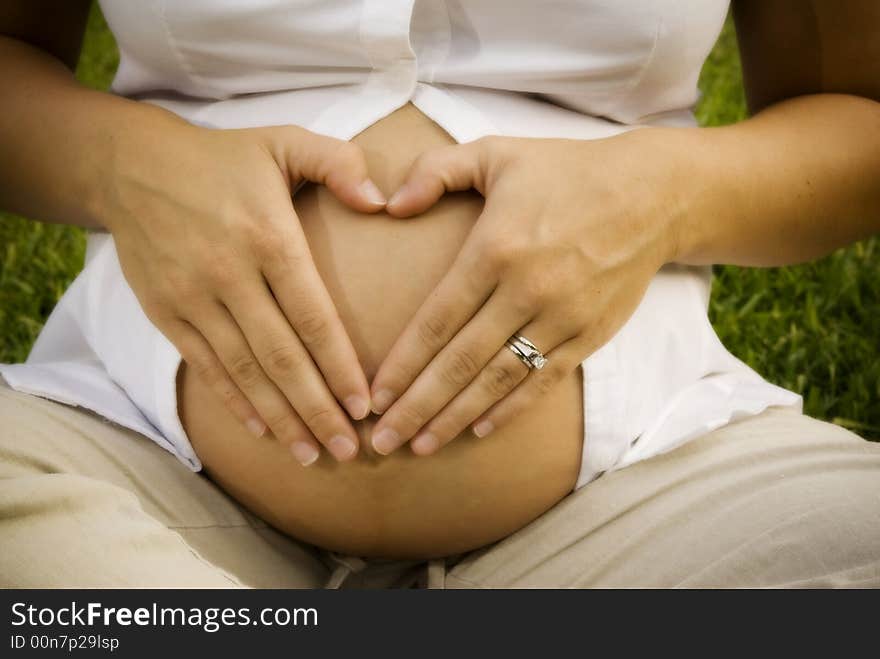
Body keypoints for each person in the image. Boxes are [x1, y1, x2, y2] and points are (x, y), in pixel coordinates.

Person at [1, 0, 879, 587]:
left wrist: (662, 194)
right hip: (136, 453)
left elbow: (853, 114)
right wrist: (125, 167)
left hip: (646, 482)